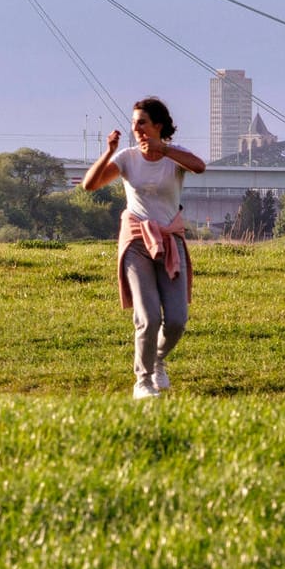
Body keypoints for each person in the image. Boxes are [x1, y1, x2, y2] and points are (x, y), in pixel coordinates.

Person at [82, 97, 207, 399]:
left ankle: (158, 359)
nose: (136, 129)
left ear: (157, 126)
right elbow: (89, 185)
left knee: (176, 319)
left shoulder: (175, 156)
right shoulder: (127, 158)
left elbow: (199, 166)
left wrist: (163, 149)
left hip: (169, 240)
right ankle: (143, 380)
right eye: (134, 123)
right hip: (137, 240)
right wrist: (109, 152)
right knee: (148, 317)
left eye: (142, 123)